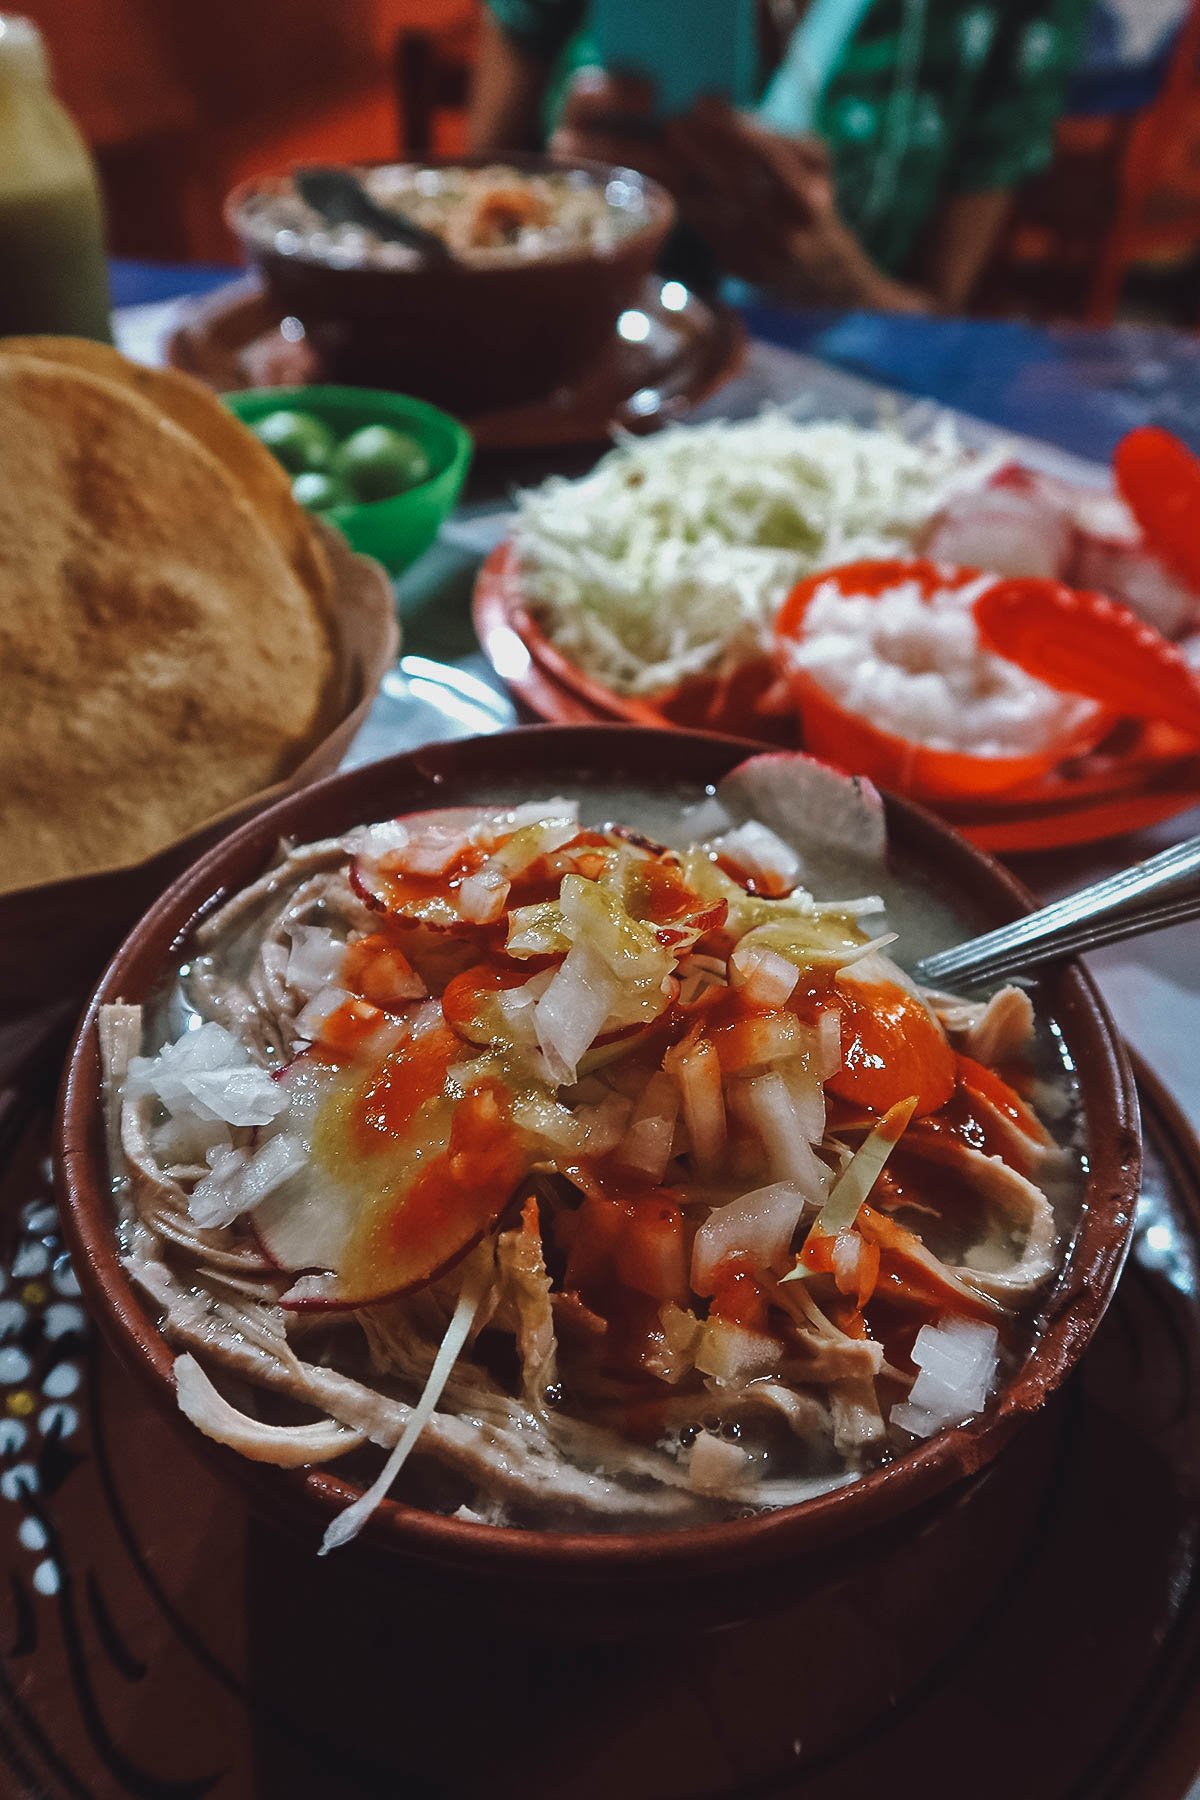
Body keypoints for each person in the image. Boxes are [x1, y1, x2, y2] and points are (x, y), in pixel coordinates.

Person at [468, 0, 1097, 312]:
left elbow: (938, 315)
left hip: (835, 425)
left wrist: (836, 282)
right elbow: (470, 222)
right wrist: (557, 207)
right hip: (580, 378)